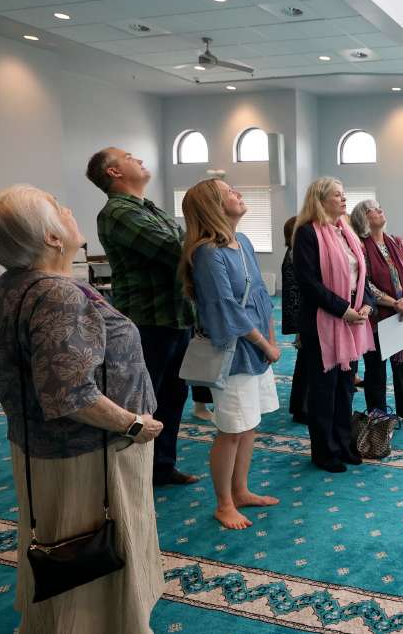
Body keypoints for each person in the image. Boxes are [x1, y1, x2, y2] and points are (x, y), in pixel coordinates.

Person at [0, 184, 164, 632]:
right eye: (60, 209)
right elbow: (71, 394)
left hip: (44, 448)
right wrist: (134, 424)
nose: (70, 211)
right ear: (52, 237)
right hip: (91, 454)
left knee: (64, 547)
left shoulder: (5, 288)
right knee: (92, 556)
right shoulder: (59, 294)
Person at [86, 147, 197, 486]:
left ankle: (161, 467)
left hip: (175, 318)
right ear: (114, 172)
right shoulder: (118, 212)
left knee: (173, 397)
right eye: (129, 157)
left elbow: (185, 243)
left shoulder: (148, 208)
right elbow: (176, 249)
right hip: (147, 323)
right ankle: (134, 474)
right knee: (142, 400)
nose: (138, 159)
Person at [179, 178, 282, 529]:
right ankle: (224, 503)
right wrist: (265, 344)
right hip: (233, 353)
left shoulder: (244, 242)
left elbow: (261, 298)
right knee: (232, 430)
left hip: (257, 349)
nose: (238, 193)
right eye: (229, 192)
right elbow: (226, 309)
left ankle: (241, 491)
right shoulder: (208, 253)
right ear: (213, 206)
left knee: (249, 425)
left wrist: (271, 340)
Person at [292, 177, 375, 472]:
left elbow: (362, 274)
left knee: (345, 388)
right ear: (320, 200)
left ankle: (343, 444)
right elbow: (308, 282)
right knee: (324, 391)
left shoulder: (346, 231)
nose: (344, 199)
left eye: (344, 194)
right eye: (337, 195)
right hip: (323, 321)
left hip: (352, 319)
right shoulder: (307, 233)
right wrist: (342, 310)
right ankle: (324, 451)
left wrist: (366, 303)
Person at [350, 200, 403, 422]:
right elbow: (364, 283)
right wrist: (393, 302)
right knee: (375, 367)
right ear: (363, 218)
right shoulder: (360, 246)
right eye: (373, 209)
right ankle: (378, 414)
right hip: (377, 316)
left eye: (379, 207)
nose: (380, 210)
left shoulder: (397, 242)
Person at [280, 216, 308, 424]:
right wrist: (300, 327)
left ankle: (300, 407)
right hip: (303, 318)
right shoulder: (294, 255)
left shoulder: (294, 253)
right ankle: (302, 409)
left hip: (301, 317)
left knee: (304, 364)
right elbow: (294, 295)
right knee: (306, 365)